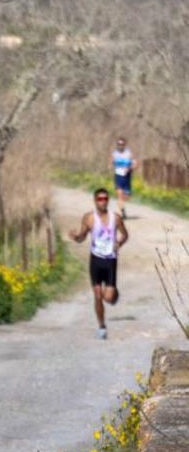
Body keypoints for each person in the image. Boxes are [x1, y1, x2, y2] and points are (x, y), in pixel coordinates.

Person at [68, 187, 128, 339]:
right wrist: (75, 237)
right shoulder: (89, 218)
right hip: (95, 259)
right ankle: (101, 326)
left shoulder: (116, 218)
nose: (103, 202)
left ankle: (114, 294)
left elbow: (125, 235)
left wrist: (119, 244)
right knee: (98, 295)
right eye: (100, 199)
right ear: (95, 201)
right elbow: (82, 237)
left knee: (108, 297)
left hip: (110, 260)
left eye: (106, 199)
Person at [111, 137, 135, 219]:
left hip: (127, 177)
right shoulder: (115, 154)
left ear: (125, 145)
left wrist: (129, 168)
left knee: (126, 197)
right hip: (118, 177)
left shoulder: (129, 154)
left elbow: (135, 163)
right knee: (119, 195)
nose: (120, 146)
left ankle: (122, 206)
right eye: (119, 144)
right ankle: (122, 212)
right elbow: (113, 163)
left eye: (122, 144)